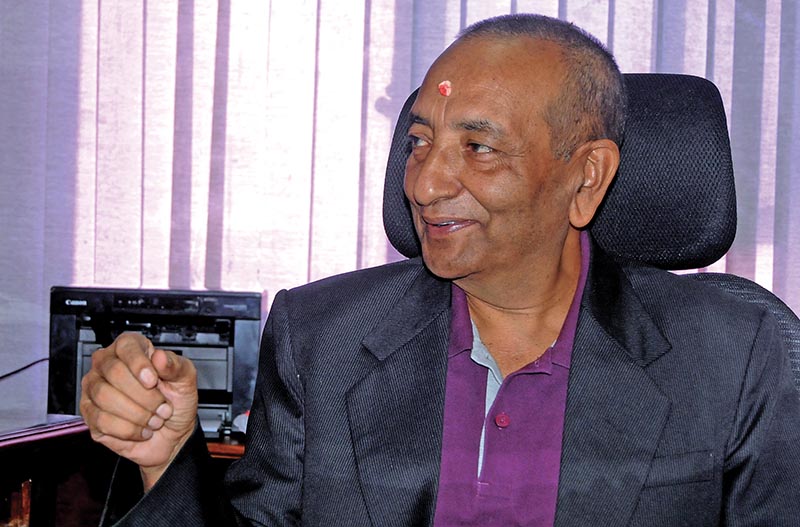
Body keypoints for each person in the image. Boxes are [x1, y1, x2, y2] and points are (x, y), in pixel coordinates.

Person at [80, 13, 800, 526]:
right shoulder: (322, 338)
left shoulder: (737, 353)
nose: (424, 184)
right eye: (419, 142)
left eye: (478, 148)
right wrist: (166, 456)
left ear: (586, 177)